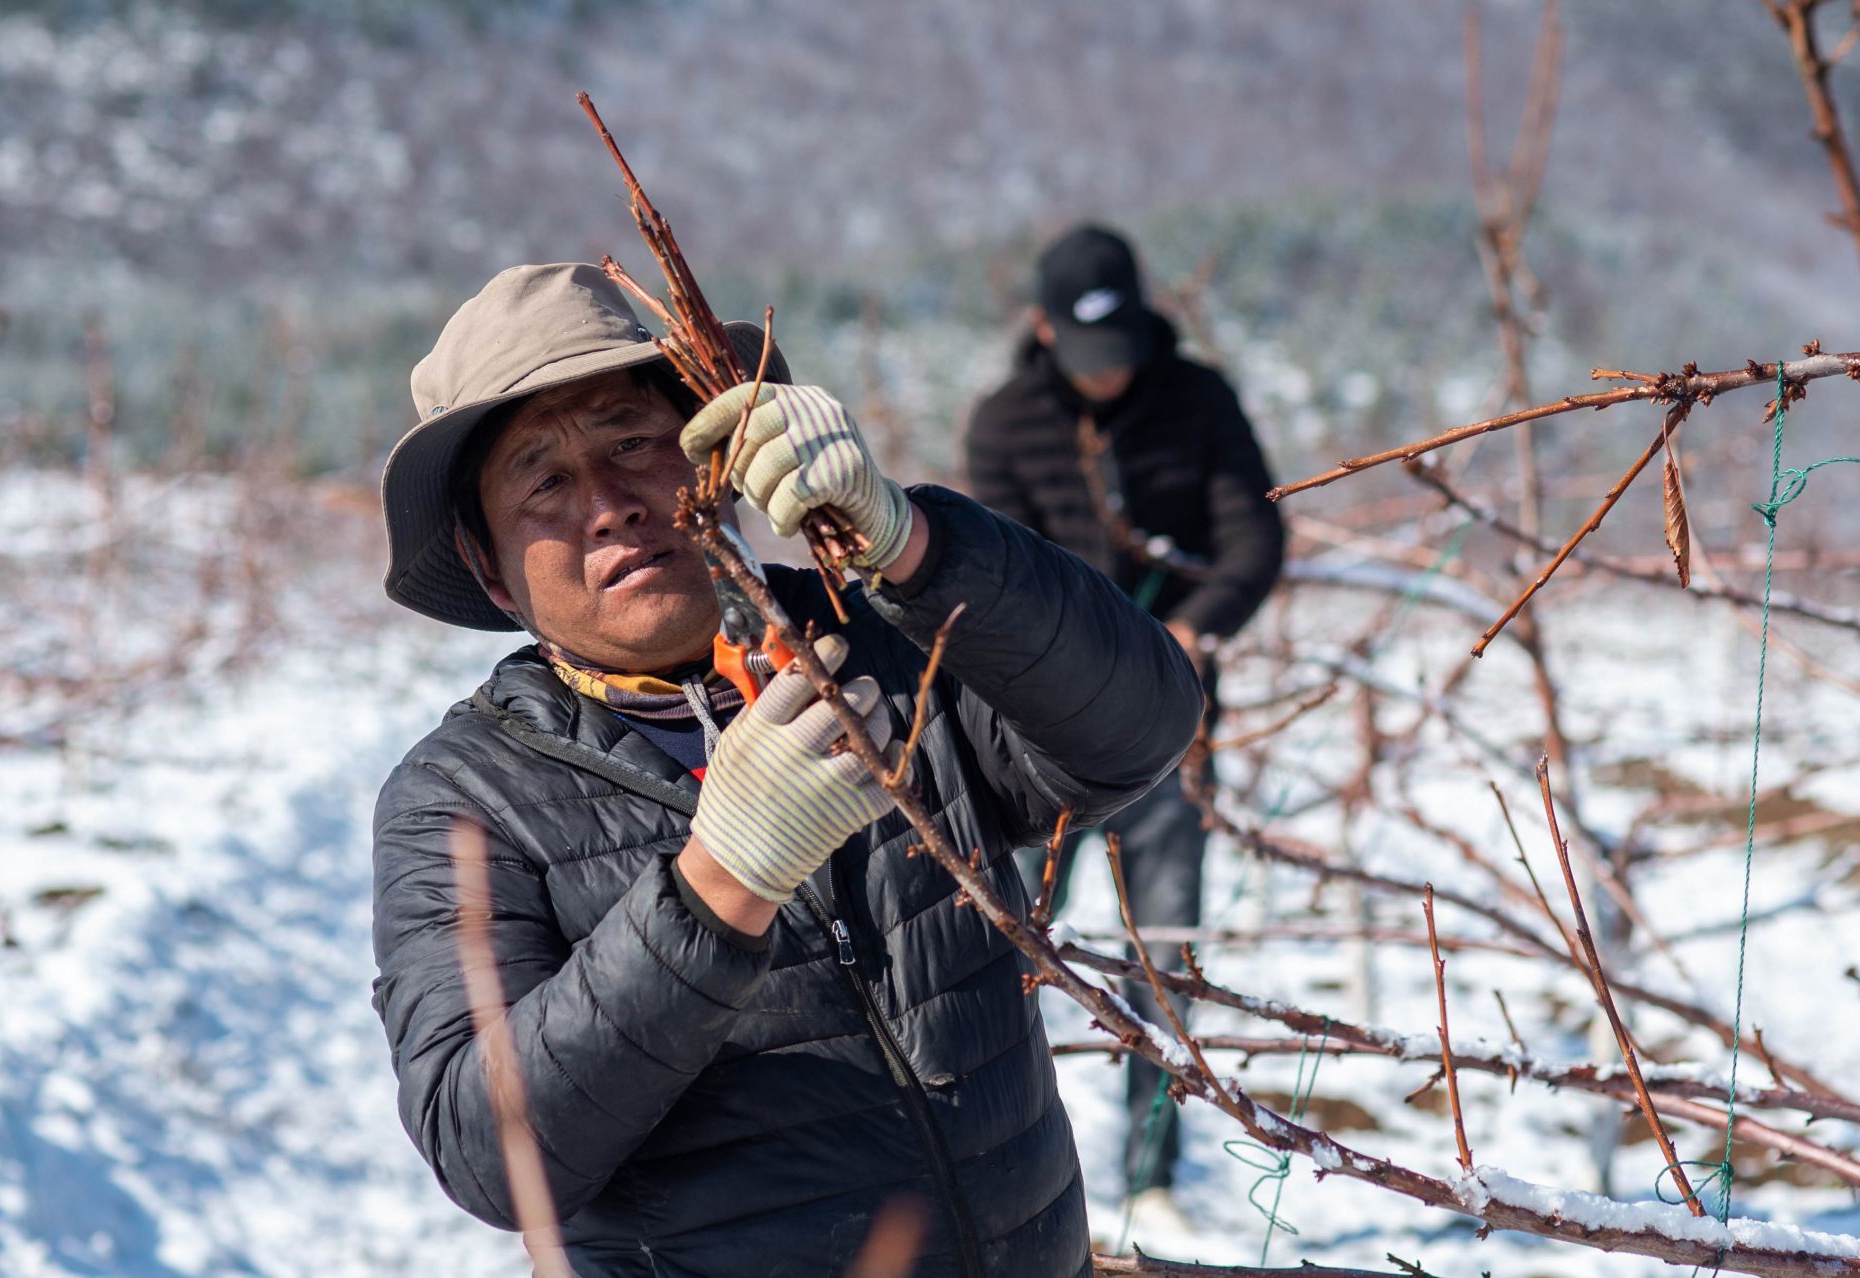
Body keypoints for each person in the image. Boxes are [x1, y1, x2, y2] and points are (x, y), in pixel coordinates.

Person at [370, 262, 1202, 1276]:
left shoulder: (885, 653)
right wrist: (721, 881)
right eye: (542, 480)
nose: (610, 505)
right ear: (490, 564)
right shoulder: (466, 798)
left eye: (634, 443)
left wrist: (913, 541)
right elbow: (489, 1153)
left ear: (709, 465)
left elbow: (1141, 726)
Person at [965, 224, 1285, 1217]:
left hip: (1174, 735)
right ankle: (992, 1160)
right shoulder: (1004, 424)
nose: (1109, 379)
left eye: (1122, 356)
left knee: (1165, 950)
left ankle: (1150, 1173)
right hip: (1033, 744)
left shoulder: (1199, 401)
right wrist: (1075, 665)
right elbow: (1000, 582)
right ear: (1042, 331)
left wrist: (1191, 632)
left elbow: (1255, 536)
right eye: (1087, 358)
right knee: (999, 950)